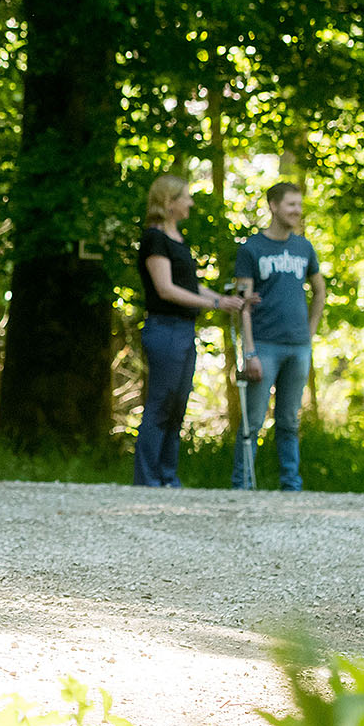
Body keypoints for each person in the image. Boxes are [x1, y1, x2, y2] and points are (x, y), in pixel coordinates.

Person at [135, 174, 247, 488]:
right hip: (164, 329)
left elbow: (189, 284)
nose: (190, 203)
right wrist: (212, 305)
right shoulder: (154, 239)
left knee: (177, 405)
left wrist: (223, 300)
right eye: (186, 197)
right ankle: (147, 478)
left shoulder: (177, 241)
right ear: (170, 202)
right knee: (161, 403)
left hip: (184, 330)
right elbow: (166, 289)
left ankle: (168, 476)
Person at [232, 183, 327, 491]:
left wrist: (309, 332)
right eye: (291, 205)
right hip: (264, 345)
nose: (297, 211)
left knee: (289, 420)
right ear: (273, 206)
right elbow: (242, 304)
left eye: (299, 205)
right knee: (253, 421)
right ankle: (242, 484)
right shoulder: (251, 249)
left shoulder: (304, 247)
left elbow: (320, 290)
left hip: (298, 347)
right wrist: (249, 352)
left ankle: (291, 486)